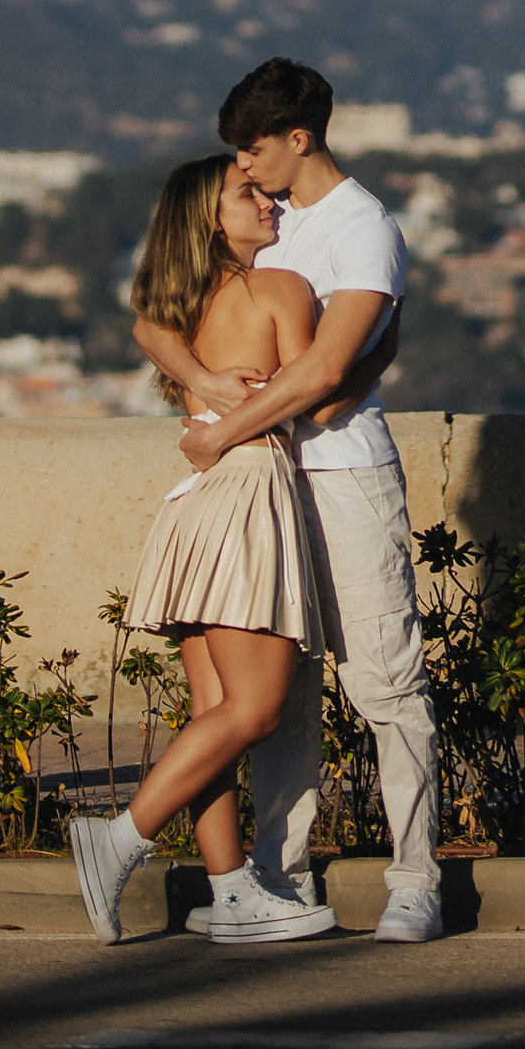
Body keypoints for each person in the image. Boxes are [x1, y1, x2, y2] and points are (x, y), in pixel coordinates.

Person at [142, 58, 442, 945]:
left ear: (297, 140)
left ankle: (415, 880)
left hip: (342, 475)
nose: (243, 167)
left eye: (253, 147)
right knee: (282, 694)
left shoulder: (363, 229)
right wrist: (203, 381)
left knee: (386, 683)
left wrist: (219, 429)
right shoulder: (264, 224)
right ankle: (275, 876)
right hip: (259, 490)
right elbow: (158, 308)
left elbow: (325, 373)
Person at [70, 154, 342, 946]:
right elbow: (312, 398)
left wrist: (205, 393)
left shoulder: (183, 308)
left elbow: (143, 323)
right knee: (254, 709)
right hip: (250, 494)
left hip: (198, 502)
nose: (269, 203)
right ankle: (118, 838)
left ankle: (229, 893)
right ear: (209, 220)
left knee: (213, 713)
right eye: (247, 194)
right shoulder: (280, 290)